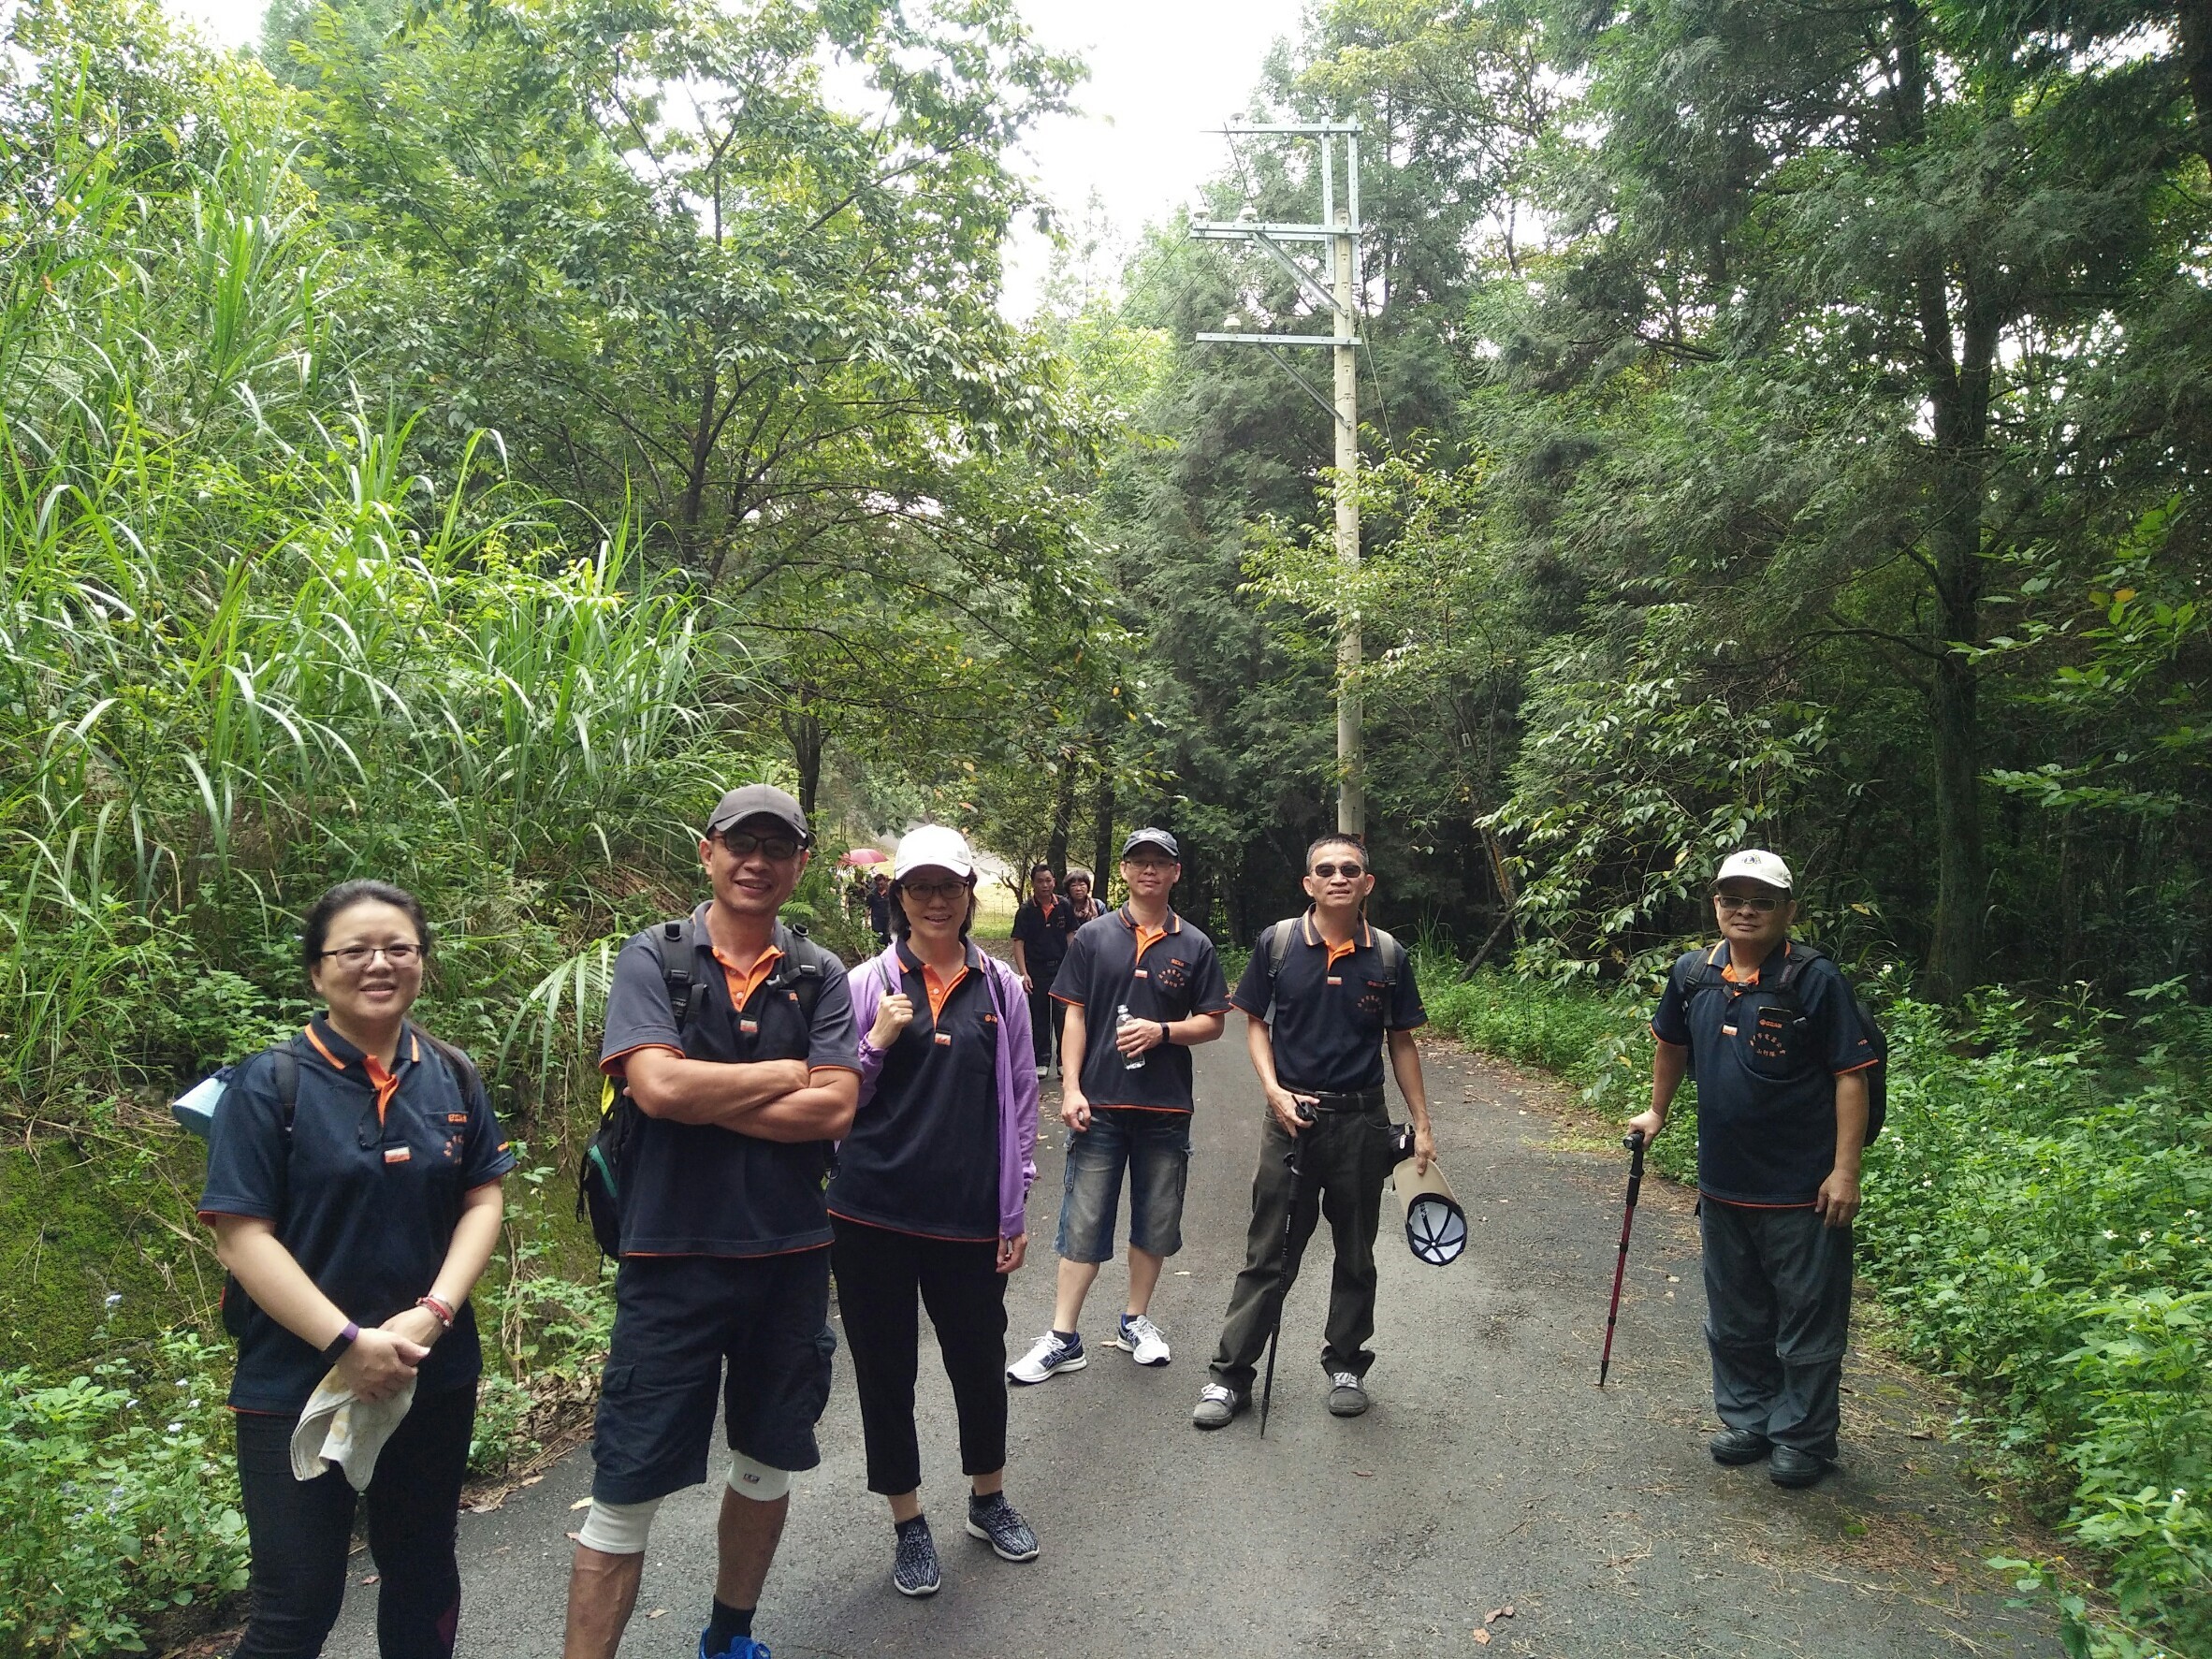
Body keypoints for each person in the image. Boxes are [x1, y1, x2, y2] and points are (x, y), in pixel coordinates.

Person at [562, 784, 861, 1659]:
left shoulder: (820, 971)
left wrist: (698, 1093)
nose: (756, 861)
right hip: (668, 1256)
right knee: (625, 1486)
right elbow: (654, 1088)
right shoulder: (655, 958)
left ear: (800, 862)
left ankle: (729, 1636)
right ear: (708, 851)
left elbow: (837, 1108)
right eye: (740, 843)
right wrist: (785, 1072)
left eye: (777, 846)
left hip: (791, 1258)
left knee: (767, 1463)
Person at [199, 880, 514, 1659]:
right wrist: (347, 1340)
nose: (379, 963)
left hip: (427, 1370)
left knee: (423, 1573)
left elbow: (483, 1198)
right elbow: (240, 1235)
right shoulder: (268, 1084)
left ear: (421, 962)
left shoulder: (452, 1074)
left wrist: (433, 1312)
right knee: (296, 1603)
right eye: (354, 950)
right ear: (317, 971)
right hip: (293, 1378)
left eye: (398, 948)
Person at [832, 824, 1041, 1598]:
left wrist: (1013, 1204)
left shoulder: (1002, 989)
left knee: (979, 1363)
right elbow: (835, 1103)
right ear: (898, 896)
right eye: (918, 887)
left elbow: (1021, 1095)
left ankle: (987, 1498)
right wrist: (878, 1042)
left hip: (966, 1214)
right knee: (886, 1372)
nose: (934, 900)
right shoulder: (863, 985)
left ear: (967, 895)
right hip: (870, 1213)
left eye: (948, 887)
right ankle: (908, 1521)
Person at [1629, 848, 1874, 1490]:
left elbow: (1853, 1077)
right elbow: (1671, 1043)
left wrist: (1844, 1170)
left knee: (1808, 1321)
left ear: (1787, 911)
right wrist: (1657, 1112)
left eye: (1761, 901)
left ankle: (1804, 1436)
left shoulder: (1815, 979)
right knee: (1735, 1316)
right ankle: (1750, 1418)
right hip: (1724, 1182)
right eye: (1732, 898)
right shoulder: (1693, 973)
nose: (1744, 910)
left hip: (1802, 1189)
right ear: (1715, 905)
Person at [1194, 835, 1437, 1429]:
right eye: (1325, 870)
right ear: (1308, 883)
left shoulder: (1387, 955)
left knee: (1356, 1250)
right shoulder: (1279, 944)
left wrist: (1423, 1127)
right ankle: (1230, 1376)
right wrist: (1273, 1091)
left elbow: (1400, 1042)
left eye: (1349, 869)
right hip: (1291, 1120)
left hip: (1362, 1121)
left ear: (1366, 883)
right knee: (1270, 1250)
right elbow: (1253, 1022)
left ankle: (1347, 1362)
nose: (1337, 878)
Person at [1009, 828, 1230, 1383]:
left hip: (1165, 1107)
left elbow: (1213, 1022)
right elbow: (1074, 1015)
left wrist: (1164, 1032)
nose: (1149, 871)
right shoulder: (1091, 937)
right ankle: (1063, 1337)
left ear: (1176, 872)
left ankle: (1136, 1320)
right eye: (1139, 862)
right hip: (1100, 1104)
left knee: (1155, 1220)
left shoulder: (1195, 944)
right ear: (1125, 872)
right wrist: (1072, 1087)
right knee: (1082, 1222)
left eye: (1161, 862)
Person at [1009, 862, 1076, 1077]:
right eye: (1040, 881)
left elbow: (1071, 934)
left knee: (1063, 1017)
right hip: (1036, 971)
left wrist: (1073, 966)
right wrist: (1023, 973)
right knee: (1039, 1017)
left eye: (1048, 880)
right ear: (1033, 884)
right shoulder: (1026, 910)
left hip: (1061, 970)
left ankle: (1064, 1061)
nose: (1045, 885)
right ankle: (1041, 1060)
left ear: (1054, 882)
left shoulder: (1064, 905)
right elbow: (1018, 941)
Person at [866, 870, 895, 948]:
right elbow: (868, 908)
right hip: (876, 920)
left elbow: (895, 905)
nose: (880, 886)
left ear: (885, 882)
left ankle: (886, 948)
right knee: (878, 938)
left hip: (888, 919)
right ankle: (879, 952)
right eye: (878, 884)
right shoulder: (872, 894)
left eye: (881, 884)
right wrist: (866, 922)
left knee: (887, 937)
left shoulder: (890, 893)